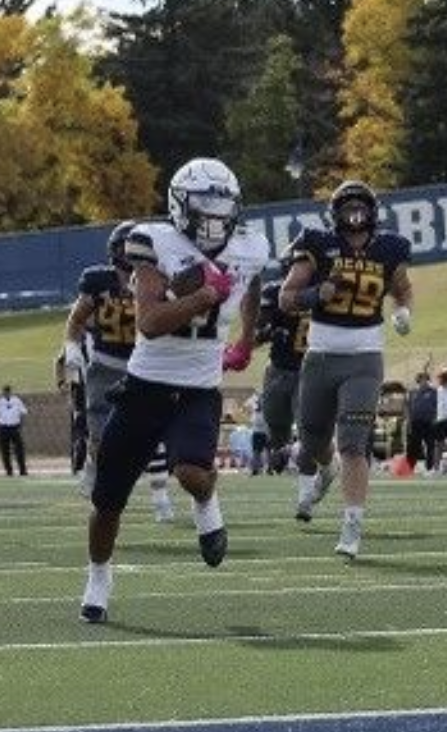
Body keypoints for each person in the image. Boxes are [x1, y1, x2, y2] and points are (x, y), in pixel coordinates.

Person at [80, 157, 267, 623]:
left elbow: (253, 285)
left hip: (198, 388)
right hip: (145, 384)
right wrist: (200, 298)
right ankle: (98, 576)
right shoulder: (153, 241)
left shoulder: (250, 246)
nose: (215, 215)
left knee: (192, 474)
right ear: (181, 205)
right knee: (107, 500)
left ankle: (208, 500)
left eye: (222, 205)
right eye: (205, 204)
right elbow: (148, 322)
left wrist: (246, 335)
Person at [278, 179, 414, 558]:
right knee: (313, 438)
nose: (355, 214)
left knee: (354, 442)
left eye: (361, 206)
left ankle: (352, 526)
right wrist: (312, 295)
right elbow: (286, 298)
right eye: (347, 206)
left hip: (364, 356)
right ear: (335, 213)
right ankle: (325, 469)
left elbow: (402, 288)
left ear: (373, 212)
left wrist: (402, 311)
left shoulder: (390, 248)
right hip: (321, 354)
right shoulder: (317, 245)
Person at [62, 222, 176, 519]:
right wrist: (72, 348)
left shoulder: (158, 280)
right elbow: (76, 319)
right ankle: (92, 464)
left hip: (144, 365)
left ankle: (160, 495)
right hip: (104, 365)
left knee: (154, 432)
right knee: (100, 435)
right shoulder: (99, 281)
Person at [255, 268, 308, 475]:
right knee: (275, 422)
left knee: (307, 423)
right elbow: (257, 330)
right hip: (279, 368)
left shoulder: (320, 290)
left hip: (310, 369)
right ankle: (281, 456)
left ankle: (304, 464)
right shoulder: (275, 291)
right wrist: (267, 332)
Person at [404, 371, 439, 473]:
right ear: (418, 380)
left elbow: (438, 406)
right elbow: (407, 407)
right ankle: (410, 467)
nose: (424, 382)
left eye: (426, 379)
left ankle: (430, 468)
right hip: (415, 423)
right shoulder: (412, 392)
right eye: (421, 380)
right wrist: (408, 421)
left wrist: (436, 418)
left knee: (430, 446)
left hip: (429, 423)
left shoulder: (433, 392)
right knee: (413, 446)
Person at [0, 385, 29, 476]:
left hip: (15, 427)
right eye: (5, 392)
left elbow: (23, 412)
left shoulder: (17, 401)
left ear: (11, 392)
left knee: (19, 450)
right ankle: (9, 471)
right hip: (3, 428)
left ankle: (22, 470)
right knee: (5, 451)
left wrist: (21, 424)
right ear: (3, 392)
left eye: (8, 392)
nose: (6, 393)